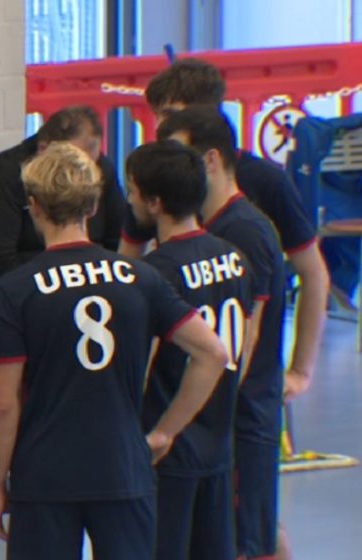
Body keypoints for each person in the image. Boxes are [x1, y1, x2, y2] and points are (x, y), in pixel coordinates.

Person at [0, 142, 227, 559]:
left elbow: (3, 403)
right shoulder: (140, 277)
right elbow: (213, 353)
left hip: (45, 475)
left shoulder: (17, 289)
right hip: (122, 467)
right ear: (93, 206)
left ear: (36, 206)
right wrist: (166, 431)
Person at [121, 58, 328, 405]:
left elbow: (313, 273)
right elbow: (127, 270)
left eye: (169, 115)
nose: (159, 127)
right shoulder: (156, 179)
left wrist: (301, 371)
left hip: (250, 387)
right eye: (156, 115)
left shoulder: (265, 184)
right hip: (180, 384)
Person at [0, 105, 126, 487]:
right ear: (47, 147)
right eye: (77, 161)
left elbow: (113, 241)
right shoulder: (1, 176)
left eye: (91, 164)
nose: (85, 173)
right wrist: (61, 276)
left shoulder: (101, 172)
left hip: (72, 273)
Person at [157, 106, 287, 560]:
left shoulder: (245, 232)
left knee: (249, 540)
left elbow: (245, 341)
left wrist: (209, 408)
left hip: (236, 418)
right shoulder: (219, 231)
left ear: (209, 160)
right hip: (219, 421)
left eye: (178, 155)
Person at [126, 141, 253, 559]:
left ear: (155, 202)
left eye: (132, 191)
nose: (129, 201)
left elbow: (140, 366)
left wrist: (161, 431)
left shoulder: (154, 274)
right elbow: (245, 340)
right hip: (218, 441)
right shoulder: (235, 259)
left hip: (168, 449)